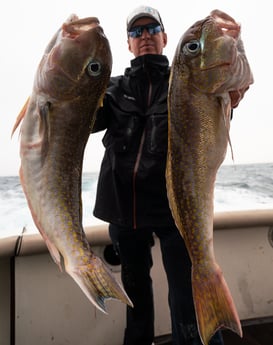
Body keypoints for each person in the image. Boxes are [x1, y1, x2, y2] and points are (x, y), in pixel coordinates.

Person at [92, 5, 224, 345]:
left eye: (152, 29)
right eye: (137, 32)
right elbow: (81, 121)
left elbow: (211, 119)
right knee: (135, 296)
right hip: (124, 208)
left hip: (174, 209)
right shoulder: (113, 88)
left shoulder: (186, 82)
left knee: (186, 293)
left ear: (164, 37)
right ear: (128, 44)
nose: (145, 36)